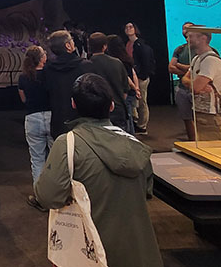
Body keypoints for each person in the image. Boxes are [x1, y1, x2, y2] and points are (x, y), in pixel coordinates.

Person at [34, 73, 163, 267]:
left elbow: (46, 196)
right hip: (139, 251)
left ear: (73, 104)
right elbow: (146, 191)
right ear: (111, 105)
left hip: (89, 253)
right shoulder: (136, 146)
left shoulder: (67, 144)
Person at [41, 30, 94, 140]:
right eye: (72, 40)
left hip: (58, 123)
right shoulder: (86, 66)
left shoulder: (48, 70)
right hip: (83, 123)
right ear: (68, 46)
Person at [18, 45, 52, 212]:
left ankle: (41, 198)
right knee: (56, 158)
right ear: (41, 58)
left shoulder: (23, 77)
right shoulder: (50, 74)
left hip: (32, 119)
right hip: (52, 117)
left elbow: (23, 99)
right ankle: (58, 195)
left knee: (37, 160)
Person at [86, 33, 131, 132]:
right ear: (105, 46)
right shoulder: (117, 63)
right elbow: (125, 89)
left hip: (95, 112)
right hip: (117, 109)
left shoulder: (86, 65)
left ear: (89, 47)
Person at [187, 29, 221, 140]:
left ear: (203, 38)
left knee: (211, 143)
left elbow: (196, 88)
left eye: (191, 36)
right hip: (199, 111)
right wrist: (194, 83)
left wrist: (194, 84)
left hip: (209, 114)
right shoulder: (196, 59)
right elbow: (185, 80)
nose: (187, 40)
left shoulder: (210, 61)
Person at [124, 22, 155, 135]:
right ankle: (136, 121)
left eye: (130, 27)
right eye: (126, 27)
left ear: (135, 29)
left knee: (142, 102)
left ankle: (142, 126)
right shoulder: (128, 44)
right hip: (132, 76)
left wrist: (142, 76)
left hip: (140, 77)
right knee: (133, 101)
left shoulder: (140, 45)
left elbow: (146, 62)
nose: (128, 29)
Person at [106, 34, 140, 134]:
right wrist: (136, 88)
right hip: (130, 92)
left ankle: (130, 138)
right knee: (129, 116)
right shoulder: (126, 58)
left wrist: (134, 88)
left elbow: (126, 77)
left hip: (125, 93)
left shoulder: (116, 61)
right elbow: (133, 74)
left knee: (127, 119)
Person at [169, 22, 197, 141]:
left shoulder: (202, 50)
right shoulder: (179, 49)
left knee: (202, 119)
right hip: (182, 89)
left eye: (189, 28)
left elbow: (198, 68)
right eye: (184, 29)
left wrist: (180, 66)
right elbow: (171, 68)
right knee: (187, 118)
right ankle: (192, 142)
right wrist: (189, 70)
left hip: (198, 89)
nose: (186, 31)